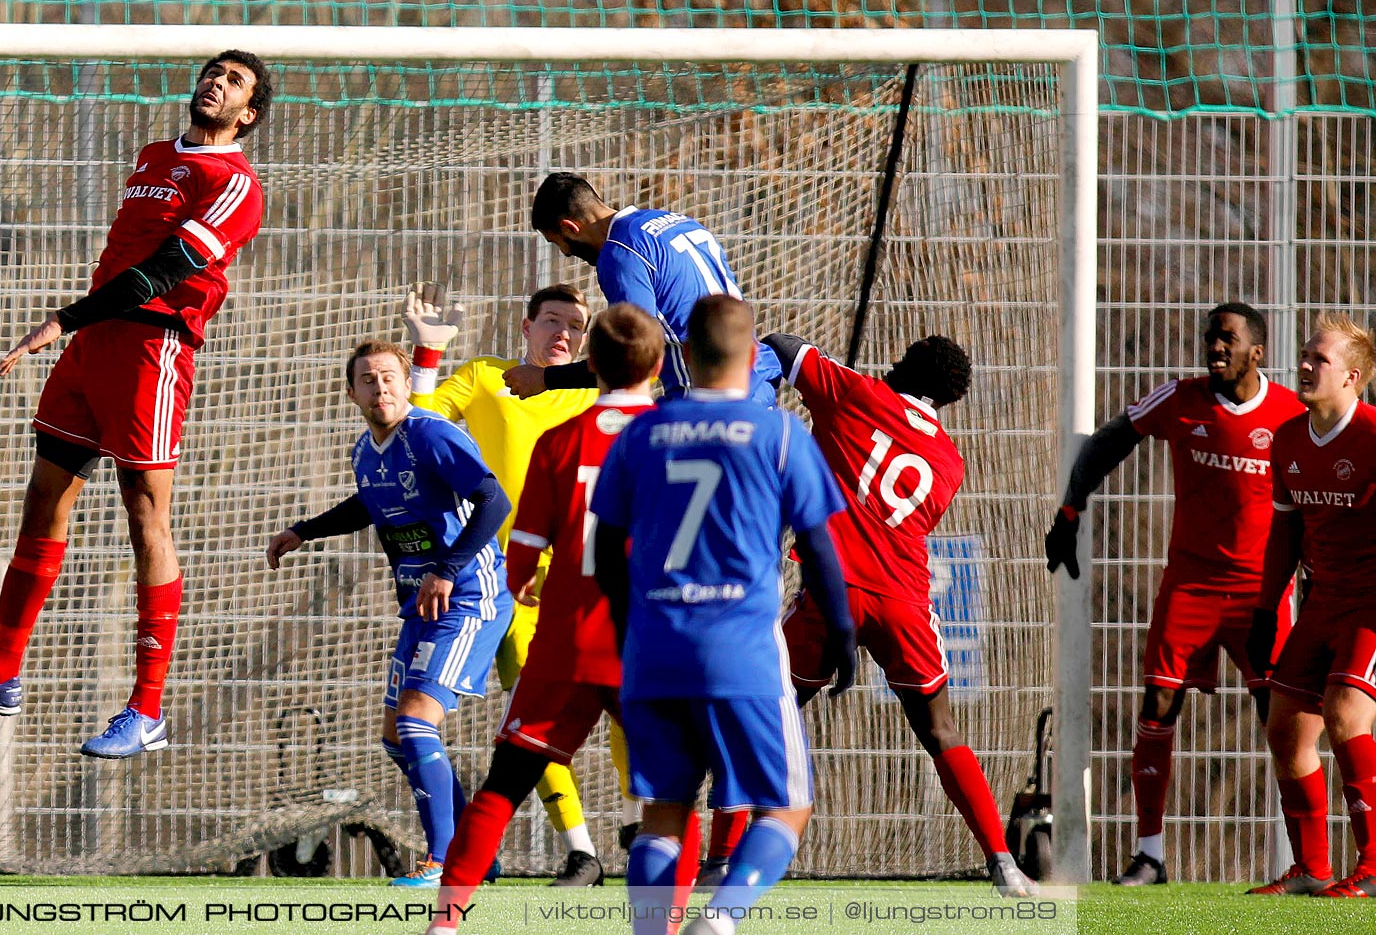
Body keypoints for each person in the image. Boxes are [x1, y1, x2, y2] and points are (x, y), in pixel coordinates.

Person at [0, 52, 271, 758]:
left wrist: (63, 319)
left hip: (151, 351)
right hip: (92, 348)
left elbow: (165, 272)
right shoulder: (154, 156)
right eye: (211, 73)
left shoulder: (236, 185)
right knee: (44, 499)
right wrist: (79, 327)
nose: (214, 83)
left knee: (145, 517)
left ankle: (146, 710)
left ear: (248, 114)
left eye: (233, 82)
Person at [591, 295, 856, 935]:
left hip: (655, 648)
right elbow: (820, 550)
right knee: (787, 808)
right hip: (741, 648)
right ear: (752, 353)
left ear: (683, 353)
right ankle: (722, 920)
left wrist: (632, 635)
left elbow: (603, 552)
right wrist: (843, 637)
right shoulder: (779, 433)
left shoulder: (640, 434)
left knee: (664, 812)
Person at [427, 304, 678, 929]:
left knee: (505, 780)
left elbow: (524, 547)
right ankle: (660, 920)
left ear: (592, 363)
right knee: (673, 796)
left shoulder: (562, 439)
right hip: (643, 642)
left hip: (566, 632)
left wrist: (521, 584)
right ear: (656, 366)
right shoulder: (677, 435)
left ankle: (447, 920)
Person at [766, 330, 1036, 896]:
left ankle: (719, 858)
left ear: (899, 364)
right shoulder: (950, 462)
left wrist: (759, 385)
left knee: (764, 715)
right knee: (940, 730)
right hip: (902, 600)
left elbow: (783, 345)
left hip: (830, 589)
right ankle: (1004, 865)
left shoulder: (855, 392)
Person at [1045, 302, 1303, 886]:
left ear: (1256, 353)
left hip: (1261, 595)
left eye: (1227, 340)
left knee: (1281, 720)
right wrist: (1070, 509)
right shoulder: (1179, 399)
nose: (1215, 347)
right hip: (1188, 586)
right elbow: (1111, 439)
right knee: (1157, 706)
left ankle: (1301, 858)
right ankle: (1151, 854)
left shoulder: (1289, 415)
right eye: (1210, 338)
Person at [265, 341, 514, 887]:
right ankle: (477, 853)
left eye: (389, 378)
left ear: (407, 384)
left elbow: (494, 500)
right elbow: (367, 504)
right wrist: (303, 531)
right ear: (351, 391)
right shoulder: (365, 450)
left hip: (469, 594)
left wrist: (447, 568)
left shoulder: (430, 434)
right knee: (396, 738)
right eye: (367, 380)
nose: (380, 388)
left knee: (416, 721)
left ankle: (446, 860)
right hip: (422, 603)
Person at [403, 282, 609, 884]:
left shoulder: (591, 391)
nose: (563, 332)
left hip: (579, 574)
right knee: (518, 711)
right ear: (525, 327)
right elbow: (416, 428)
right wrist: (429, 353)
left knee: (617, 708)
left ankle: (631, 835)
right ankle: (580, 851)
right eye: (551, 320)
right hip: (498, 577)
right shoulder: (487, 375)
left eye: (575, 323)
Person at [1247, 315, 1376, 898]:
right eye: (1303, 355)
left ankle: (1373, 867)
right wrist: (1264, 609)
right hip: (1322, 602)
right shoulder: (1289, 440)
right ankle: (1312, 868)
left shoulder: (1374, 436)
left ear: (1352, 377)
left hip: (1371, 606)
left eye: (1317, 360)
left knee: (1345, 713)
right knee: (1286, 730)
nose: (1303, 365)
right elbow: (1284, 534)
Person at [503, 173, 780, 403]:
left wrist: (544, 378)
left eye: (558, 242)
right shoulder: (678, 222)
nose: (565, 253)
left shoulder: (621, 254)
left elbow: (632, 356)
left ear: (570, 227)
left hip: (708, 404)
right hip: (758, 383)